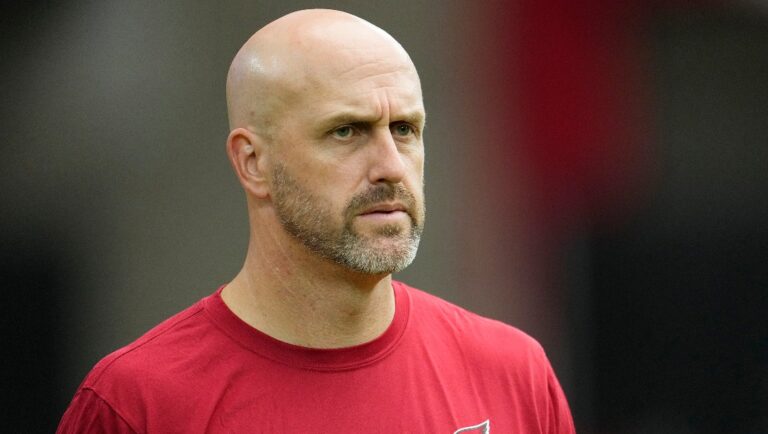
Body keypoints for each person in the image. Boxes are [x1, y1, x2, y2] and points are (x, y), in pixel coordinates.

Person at [57, 9, 575, 433]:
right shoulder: (138, 403)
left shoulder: (512, 375)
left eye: (404, 129)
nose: (391, 166)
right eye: (347, 131)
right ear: (253, 163)